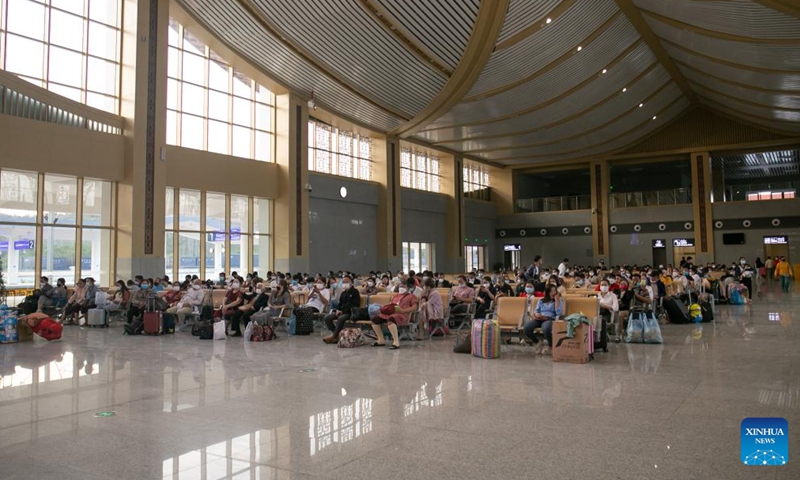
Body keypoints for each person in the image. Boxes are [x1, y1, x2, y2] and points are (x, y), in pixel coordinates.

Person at [371, 278, 418, 350]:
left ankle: (396, 342)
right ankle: (381, 340)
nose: (401, 288)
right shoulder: (396, 296)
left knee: (391, 320)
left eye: (403, 287)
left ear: (408, 288)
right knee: (375, 320)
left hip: (402, 315)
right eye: (400, 286)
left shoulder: (411, 296)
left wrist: (403, 310)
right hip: (391, 313)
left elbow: (414, 308)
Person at [523, 284, 562, 355]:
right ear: (547, 292)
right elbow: (536, 311)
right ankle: (537, 342)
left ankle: (551, 345)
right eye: (551, 291)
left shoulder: (558, 301)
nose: (553, 293)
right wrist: (537, 314)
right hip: (539, 318)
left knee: (546, 328)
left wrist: (556, 301)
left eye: (554, 291)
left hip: (549, 319)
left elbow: (558, 313)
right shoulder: (541, 301)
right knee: (526, 328)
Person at [322, 276, 361, 344]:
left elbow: (355, 305)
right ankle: (337, 335)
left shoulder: (355, 292)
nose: (345, 283)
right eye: (343, 282)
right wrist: (338, 310)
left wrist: (343, 311)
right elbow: (340, 304)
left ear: (351, 283)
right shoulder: (343, 293)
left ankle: (333, 336)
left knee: (341, 318)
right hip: (341, 312)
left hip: (350, 312)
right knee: (327, 318)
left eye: (347, 282)